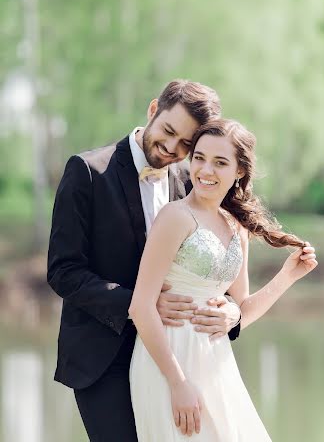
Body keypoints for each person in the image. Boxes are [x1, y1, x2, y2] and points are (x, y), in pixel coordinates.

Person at [47, 80, 241, 442]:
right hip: (105, 358)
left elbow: (212, 264)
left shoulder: (193, 180)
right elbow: (63, 272)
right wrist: (140, 303)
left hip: (177, 356)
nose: (171, 148)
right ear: (153, 110)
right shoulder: (87, 172)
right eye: (168, 131)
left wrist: (232, 311)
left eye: (187, 144)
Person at [130, 119, 318, 440]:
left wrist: (287, 275)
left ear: (239, 172)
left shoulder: (235, 227)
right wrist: (178, 382)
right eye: (200, 158)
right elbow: (140, 307)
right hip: (169, 361)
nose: (205, 170)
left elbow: (242, 311)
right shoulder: (175, 217)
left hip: (215, 361)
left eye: (220, 162)